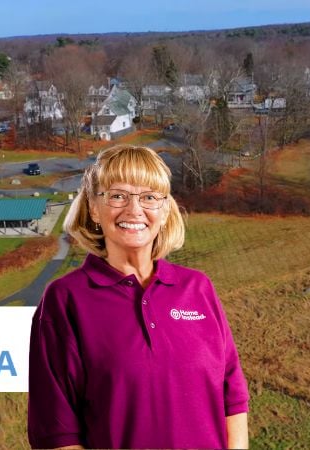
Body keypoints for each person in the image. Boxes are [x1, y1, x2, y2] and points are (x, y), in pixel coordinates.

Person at [28, 145, 249, 449]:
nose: (134, 210)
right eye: (118, 195)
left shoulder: (198, 288)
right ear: (94, 206)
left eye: (149, 197)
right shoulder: (65, 300)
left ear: (164, 208)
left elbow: (233, 396)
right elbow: (55, 433)